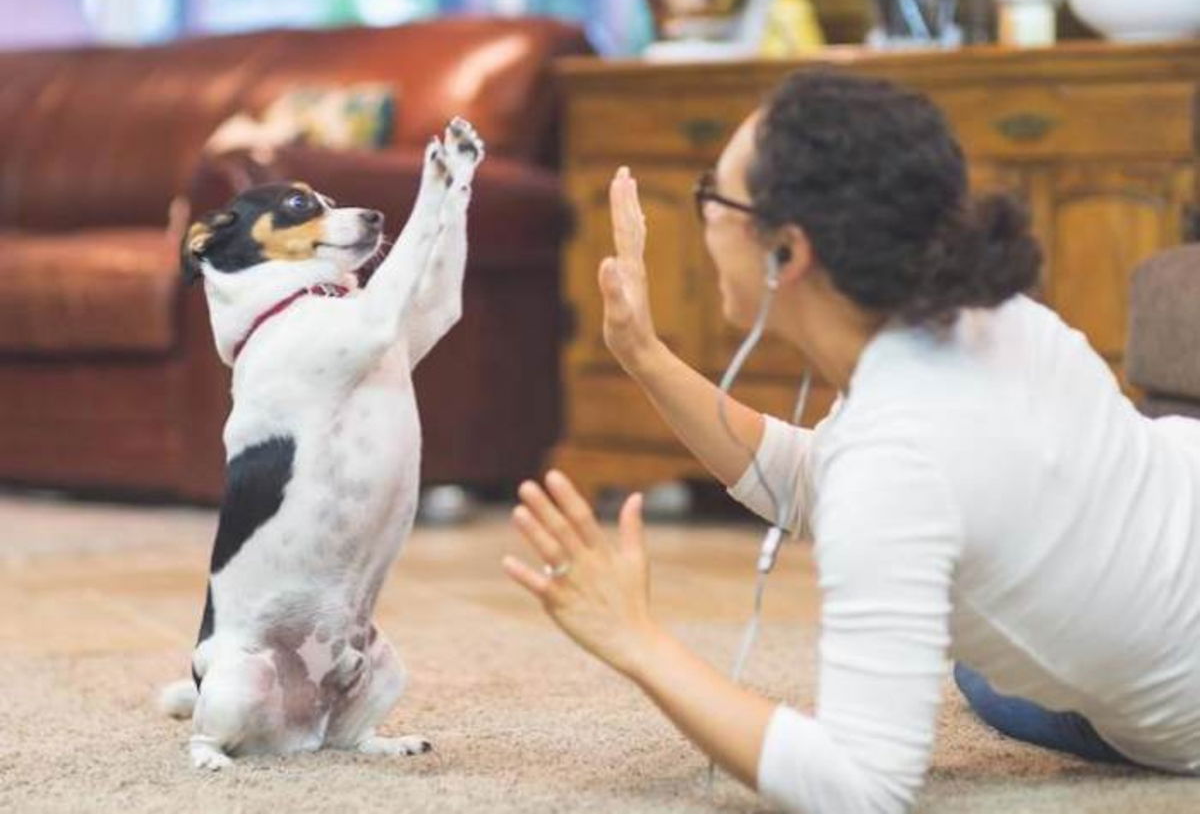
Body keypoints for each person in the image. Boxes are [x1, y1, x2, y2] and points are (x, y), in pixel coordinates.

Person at [501, 69, 1200, 813]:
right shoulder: (983, 317)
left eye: (715, 197)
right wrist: (642, 351)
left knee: (981, 672)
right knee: (978, 669)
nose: (702, 217)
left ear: (787, 253)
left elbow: (860, 786)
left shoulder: (895, 460)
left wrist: (635, 638)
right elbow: (820, 480)